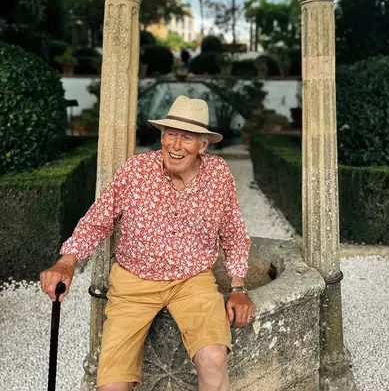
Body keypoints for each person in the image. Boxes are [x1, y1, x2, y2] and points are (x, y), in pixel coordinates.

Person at [40, 95, 254, 391]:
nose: (176, 146)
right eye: (170, 134)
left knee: (214, 357)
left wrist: (238, 288)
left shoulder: (218, 175)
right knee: (111, 386)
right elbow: (97, 220)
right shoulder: (136, 170)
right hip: (133, 283)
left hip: (192, 280)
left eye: (187, 138)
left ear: (203, 145)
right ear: (162, 136)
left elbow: (233, 233)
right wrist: (66, 261)